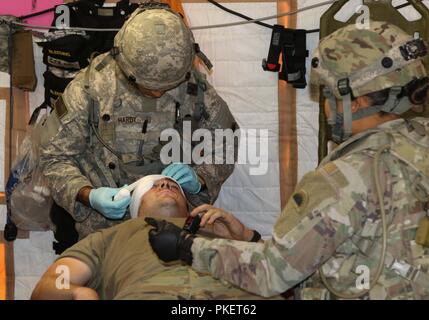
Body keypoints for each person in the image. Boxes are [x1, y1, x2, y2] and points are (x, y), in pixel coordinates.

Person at [146, 21, 429, 299]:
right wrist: (249, 237)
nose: (327, 108)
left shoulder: (342, 179)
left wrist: (187, 247)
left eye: (327, 95)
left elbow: (272, 273)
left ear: (354, 101)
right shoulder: (420, 145)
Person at [39, 4, 238, 239]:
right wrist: (87, 194)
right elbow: (53, 157)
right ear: (123, 64)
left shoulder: (196, 91)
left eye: (166, 88)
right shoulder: (90, 89)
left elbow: (227, 142)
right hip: (104, 232)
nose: (156, 94)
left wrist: (202, 178)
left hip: (174, 227)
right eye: (146, 87)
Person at [31, 175, 280, 300]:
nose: (165, 185)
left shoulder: (219, 228)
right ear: (136, 205)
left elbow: (286, 271)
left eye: (173, 185)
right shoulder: (109, 237)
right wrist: (76, 293)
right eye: (155, 186)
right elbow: (52, 282)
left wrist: (247, 236)